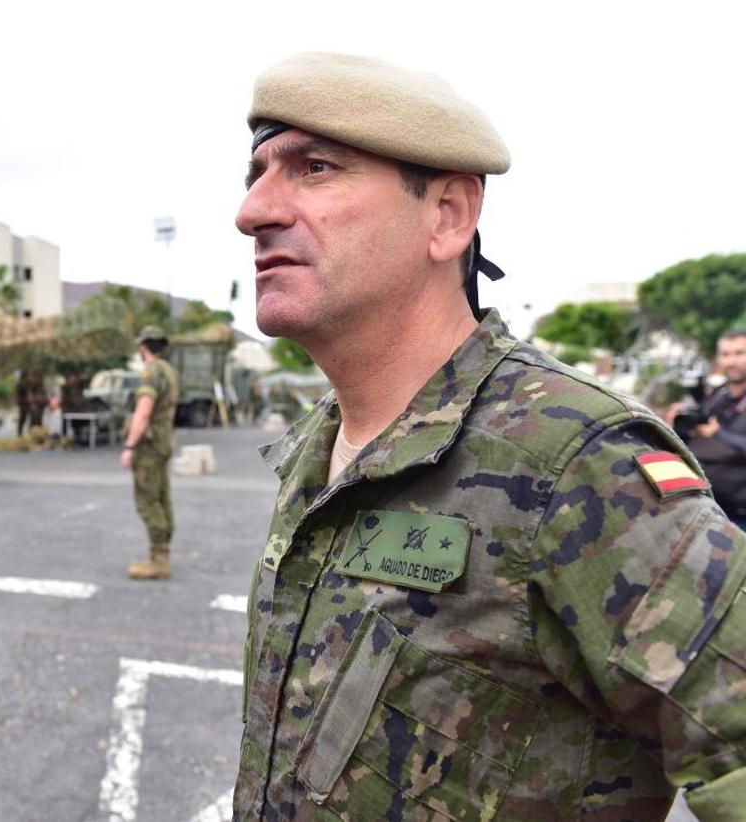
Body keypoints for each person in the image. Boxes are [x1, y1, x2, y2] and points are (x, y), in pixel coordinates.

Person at [232, 53, 745, 821]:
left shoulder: (574, 462)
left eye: (314, 167)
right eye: (255, 174)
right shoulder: (320, 449)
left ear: (447, 216)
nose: (254, 211)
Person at [120, 326, 180, 579]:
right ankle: (161, 552)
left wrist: (130, 446)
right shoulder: (170, 371)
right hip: (164, 442)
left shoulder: (151, 373)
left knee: (147, 499)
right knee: (162, 496)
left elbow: (143, 411)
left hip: (149, 445)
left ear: (143, 346)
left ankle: (159, 562)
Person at [675, 329, 746, 529]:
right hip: (709, 509)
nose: (731, 361)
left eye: (740, 353)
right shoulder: (719, 395)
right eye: (725, 354)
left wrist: (717, 434)